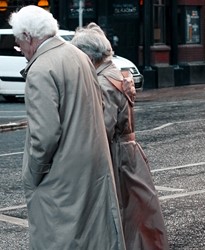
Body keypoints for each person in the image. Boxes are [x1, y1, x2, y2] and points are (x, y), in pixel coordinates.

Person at [9, 6, 125, 250]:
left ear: (29, 36)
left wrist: (33, 175)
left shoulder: (41, 69)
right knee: (92, 238)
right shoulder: (78, 55)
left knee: (58, 239)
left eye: (19, 43)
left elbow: (45, 136)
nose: (21, 51)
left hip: (60, 178)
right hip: (91, 169)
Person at [71, 23, 169, 250]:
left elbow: (102, 127)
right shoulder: (113, 72)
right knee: (136, 214)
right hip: (127, 153)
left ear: (88, 55)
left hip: (117, 156)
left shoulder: (104, 81)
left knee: (123, 213)